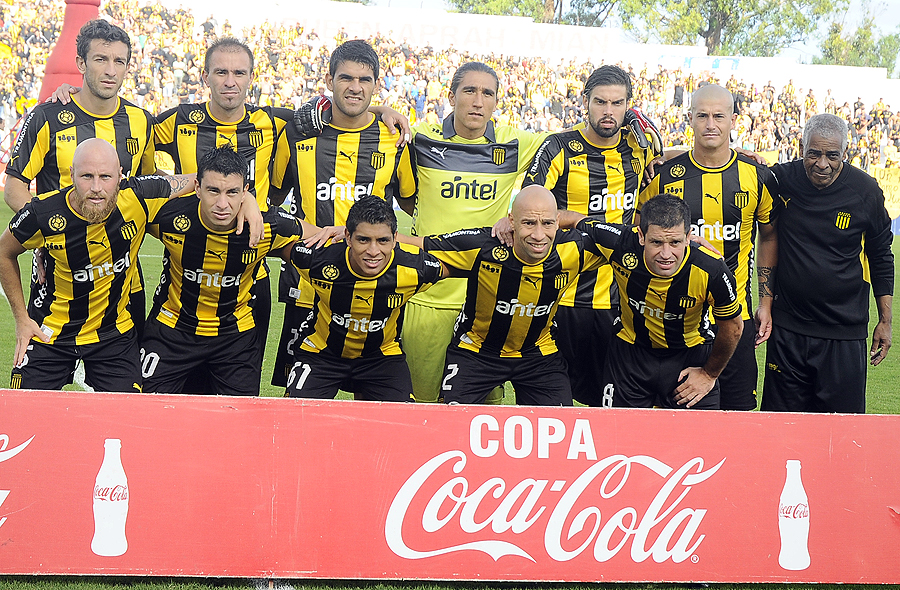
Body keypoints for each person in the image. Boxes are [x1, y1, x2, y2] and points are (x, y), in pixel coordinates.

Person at [400, 61, 548, 404]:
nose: (478, 101)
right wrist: (382, 107)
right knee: (419, 407)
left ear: (497, 102)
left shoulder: (516, 143)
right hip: (428, 297)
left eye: (487, 93)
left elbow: (579, 143)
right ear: (451, 96)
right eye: (469, 91)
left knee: (480, 415)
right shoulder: (421, 139)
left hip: (486, 303)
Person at [272, 39, 416, 388]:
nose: (355, 87)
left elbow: (413, 206)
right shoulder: (296, 134)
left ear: (376, 85)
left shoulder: (394, 139)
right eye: (345, 78)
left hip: (377, 289)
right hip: (308, 286)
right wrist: (303, 228)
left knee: (380, 413)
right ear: (329, 79)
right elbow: (271, 201)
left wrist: (384, 111)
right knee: (302, 413)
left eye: (364, 80)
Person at [5, 19, 157, 341]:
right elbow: (15, 187)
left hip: (121, 275)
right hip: (58, 269)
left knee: (126, 388)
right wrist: (44, 234)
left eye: (119, 61)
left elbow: (146, 185)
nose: (111, 70)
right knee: (38, 381)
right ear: (81, 63)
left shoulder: (141, 121)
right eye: (101, 59)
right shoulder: (46, 116)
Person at [0, 139, 193, 391]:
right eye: (86, 176)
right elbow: (4, 252)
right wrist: (22, 320)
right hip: (50, 333)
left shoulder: (137, 196)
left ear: (121, 176)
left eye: (105, 177)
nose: (96, 188)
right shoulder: (42, 213)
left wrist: (246, 201)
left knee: (130, 418)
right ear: (71, 175)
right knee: (23, 414)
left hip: (113, 334)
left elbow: (202, 180)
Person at [518, 65, 657, 407]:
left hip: (618, 297)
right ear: (585, 102)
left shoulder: (639, 149)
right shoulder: (558, 147)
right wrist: (576, 219)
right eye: (600, 102)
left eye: (617, 103)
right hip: (561, 295)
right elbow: (529, 208)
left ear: (628, 105)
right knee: (553, 403)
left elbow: (675, 160)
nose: (608, 111)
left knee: (612, 403)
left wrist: (737, 152)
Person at [400, 186, 611, 406]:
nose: (539, 235)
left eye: (547, 223)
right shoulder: (483, 245)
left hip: (539, 353)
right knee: (454, 427)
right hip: (476, 351)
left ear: (558, 221)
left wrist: (576, 218)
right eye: (528, 223)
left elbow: (627, 243)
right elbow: (414, 243)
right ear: (511, 221)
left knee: (558, 429)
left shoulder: (574, 248)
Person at [640, 84, 778, 411]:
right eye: (702, 116)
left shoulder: (757, 176)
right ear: (690, 119)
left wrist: (767, 301)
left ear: (733, 120)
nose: (711, 124)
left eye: (719, 116)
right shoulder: (664, 176)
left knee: (738, 421)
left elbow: (769, 236)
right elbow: (639, 235)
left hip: (736, 319)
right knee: (678, 424)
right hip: (677, 323)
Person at [141, 147, 307, 396]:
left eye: (232, 193)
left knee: (240, 423)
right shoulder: (168, 217)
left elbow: (322, 237)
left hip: (235, 338)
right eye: (213, 191)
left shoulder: (266, 226)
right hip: (172, 331)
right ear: (197, 188)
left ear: (244, 191)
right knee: (146, 413)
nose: (222, 204)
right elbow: (129, 197)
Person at [760, 113, 893, 413]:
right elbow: (728, 164)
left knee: (841, 434)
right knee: (782, 430)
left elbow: (881, 255)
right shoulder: (782, 179)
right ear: (801, 148)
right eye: (814, 154)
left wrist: (885, 321)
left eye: (832, 155)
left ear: (845, 153)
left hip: (843, 335)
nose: (822, 164)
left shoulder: (865, 192)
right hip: (788, 332)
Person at [562, 193, 744, 409]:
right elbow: (571, 218)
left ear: (688, 237)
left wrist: (708, 374)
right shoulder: (620, 242)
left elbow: (733, 327)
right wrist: (513, 223)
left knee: (698, 441)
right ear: (640, 235)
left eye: (675, 242)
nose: (666, 254)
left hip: (690, 359)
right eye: (656, 242)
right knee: (619, 438)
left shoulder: (711, 269)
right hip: (629, 357)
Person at [286, 195, 443, 401]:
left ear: (395, 239)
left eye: (383, 240)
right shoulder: (317, 259)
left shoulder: (415, 268)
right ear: (348, 237)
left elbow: (464, 264)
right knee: (295, 419)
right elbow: (275, 239)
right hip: (321, 353)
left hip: (382, 357)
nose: (373, 251)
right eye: (363, 239)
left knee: (404, 423)